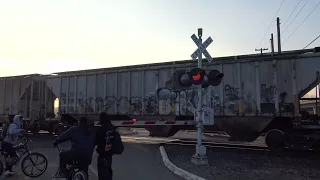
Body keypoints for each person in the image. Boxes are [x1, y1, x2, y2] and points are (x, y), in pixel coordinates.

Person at [95, 112, 124, 180]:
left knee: (102, 174)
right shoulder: (113, 128)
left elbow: (96, 141)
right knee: (108, 171)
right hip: (109, 155)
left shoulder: (100, 130)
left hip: (102, 155)